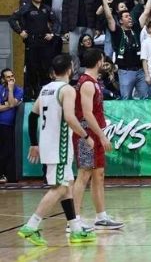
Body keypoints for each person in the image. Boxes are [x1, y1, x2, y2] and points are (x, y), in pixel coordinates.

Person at [18, 54, 97, 246]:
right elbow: (70, 118)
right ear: (70, 69)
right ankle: (31, 226)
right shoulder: (67, 89)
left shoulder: (45, 89)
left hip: (48, 144)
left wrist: (34, 143)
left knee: (67, 186)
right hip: (59, 145)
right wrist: (86, 137)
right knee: (60, 188)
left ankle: (76, 229)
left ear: (53, 71)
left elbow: (32, 116)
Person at [71, 48, 124, 231]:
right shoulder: (86, 83)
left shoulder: (94, 81)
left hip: (95, 132)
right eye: (103, 59)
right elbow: (86, 114)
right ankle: (74, 221)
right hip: (86, 133)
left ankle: (101, 217)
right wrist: (101, 136)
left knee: (98, 175)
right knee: (84, 174)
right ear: (99, 61)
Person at [9, 0, 58, 101]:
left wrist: (52, 34)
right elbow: (12, 19)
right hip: (32, 42)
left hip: (45, 42)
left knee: (46, 67)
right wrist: (20, 31)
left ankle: (46, 91)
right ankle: (34, 93)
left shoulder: (46, 8)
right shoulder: (26, 8)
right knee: (32, 68)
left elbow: (55, 21)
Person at [0, 69, 23, 184]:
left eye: (12, 76)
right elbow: (12, 104)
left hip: (8, 126)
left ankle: (6, 175)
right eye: (8, 77)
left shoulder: (18, 90)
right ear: (3, 79)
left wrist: (10, 90)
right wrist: (10, 105)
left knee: (7, 151)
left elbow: (13, 103)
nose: (11, 79)